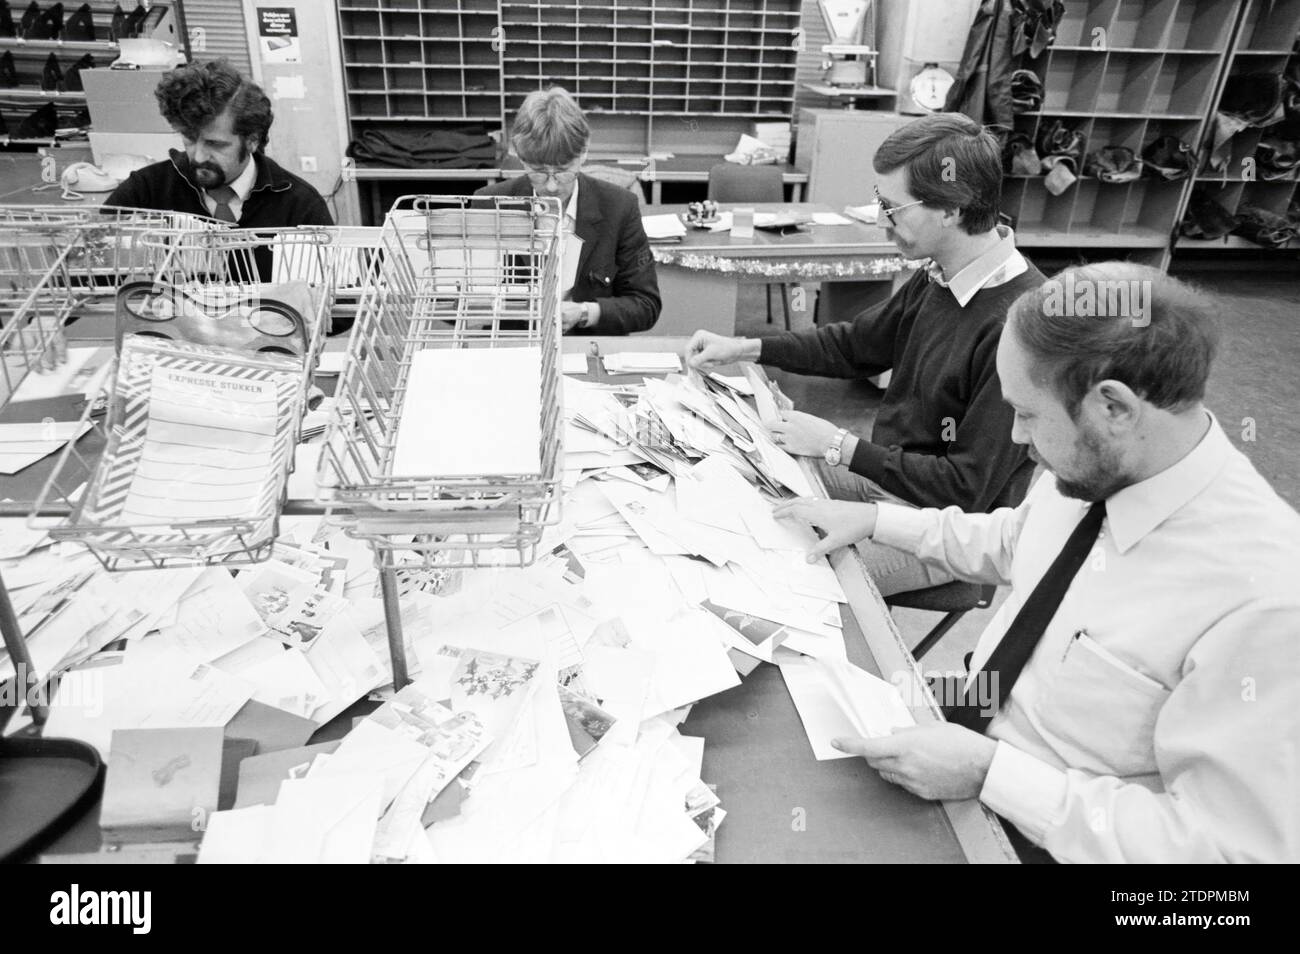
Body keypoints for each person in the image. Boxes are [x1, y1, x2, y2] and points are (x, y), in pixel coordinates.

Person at [775, 263, 1300, 863]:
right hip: (977, 726)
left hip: (1050, 836)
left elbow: (1231, 858)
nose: (1019, 440)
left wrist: (992, 775)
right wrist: (877, 521)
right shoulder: (1100, 466)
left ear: (1115, 408)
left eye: (1027, 414)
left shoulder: (1265, 602)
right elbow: (1016, 541)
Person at [686, 113, 1040, 596]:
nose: (880, 220)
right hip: (891, 482)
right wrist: (748, 347)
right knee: (748, 472)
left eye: (893, 208)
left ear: (951, 210)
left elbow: (965, 487)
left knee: (785, 582)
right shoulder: (941, 272)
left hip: (944, 529)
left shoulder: (1017, 328)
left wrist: (839, 446)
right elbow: (857, 346)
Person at [476, 87, 660, 335]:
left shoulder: (620, 207)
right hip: (517, 348)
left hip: (590, 349)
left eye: (562, 170)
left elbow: (646, 305)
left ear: (583, 152)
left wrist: (585, 312)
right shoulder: (489, 204)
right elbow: (456, 303)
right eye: (538, 172)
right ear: (520, 157)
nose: (551, 186)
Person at [105, 59, 332, 228]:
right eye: (190, 139)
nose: (199, 156)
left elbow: (336, 289)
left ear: (252, 140)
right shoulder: (145, 192)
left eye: (216, 144)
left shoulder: (299, 206)